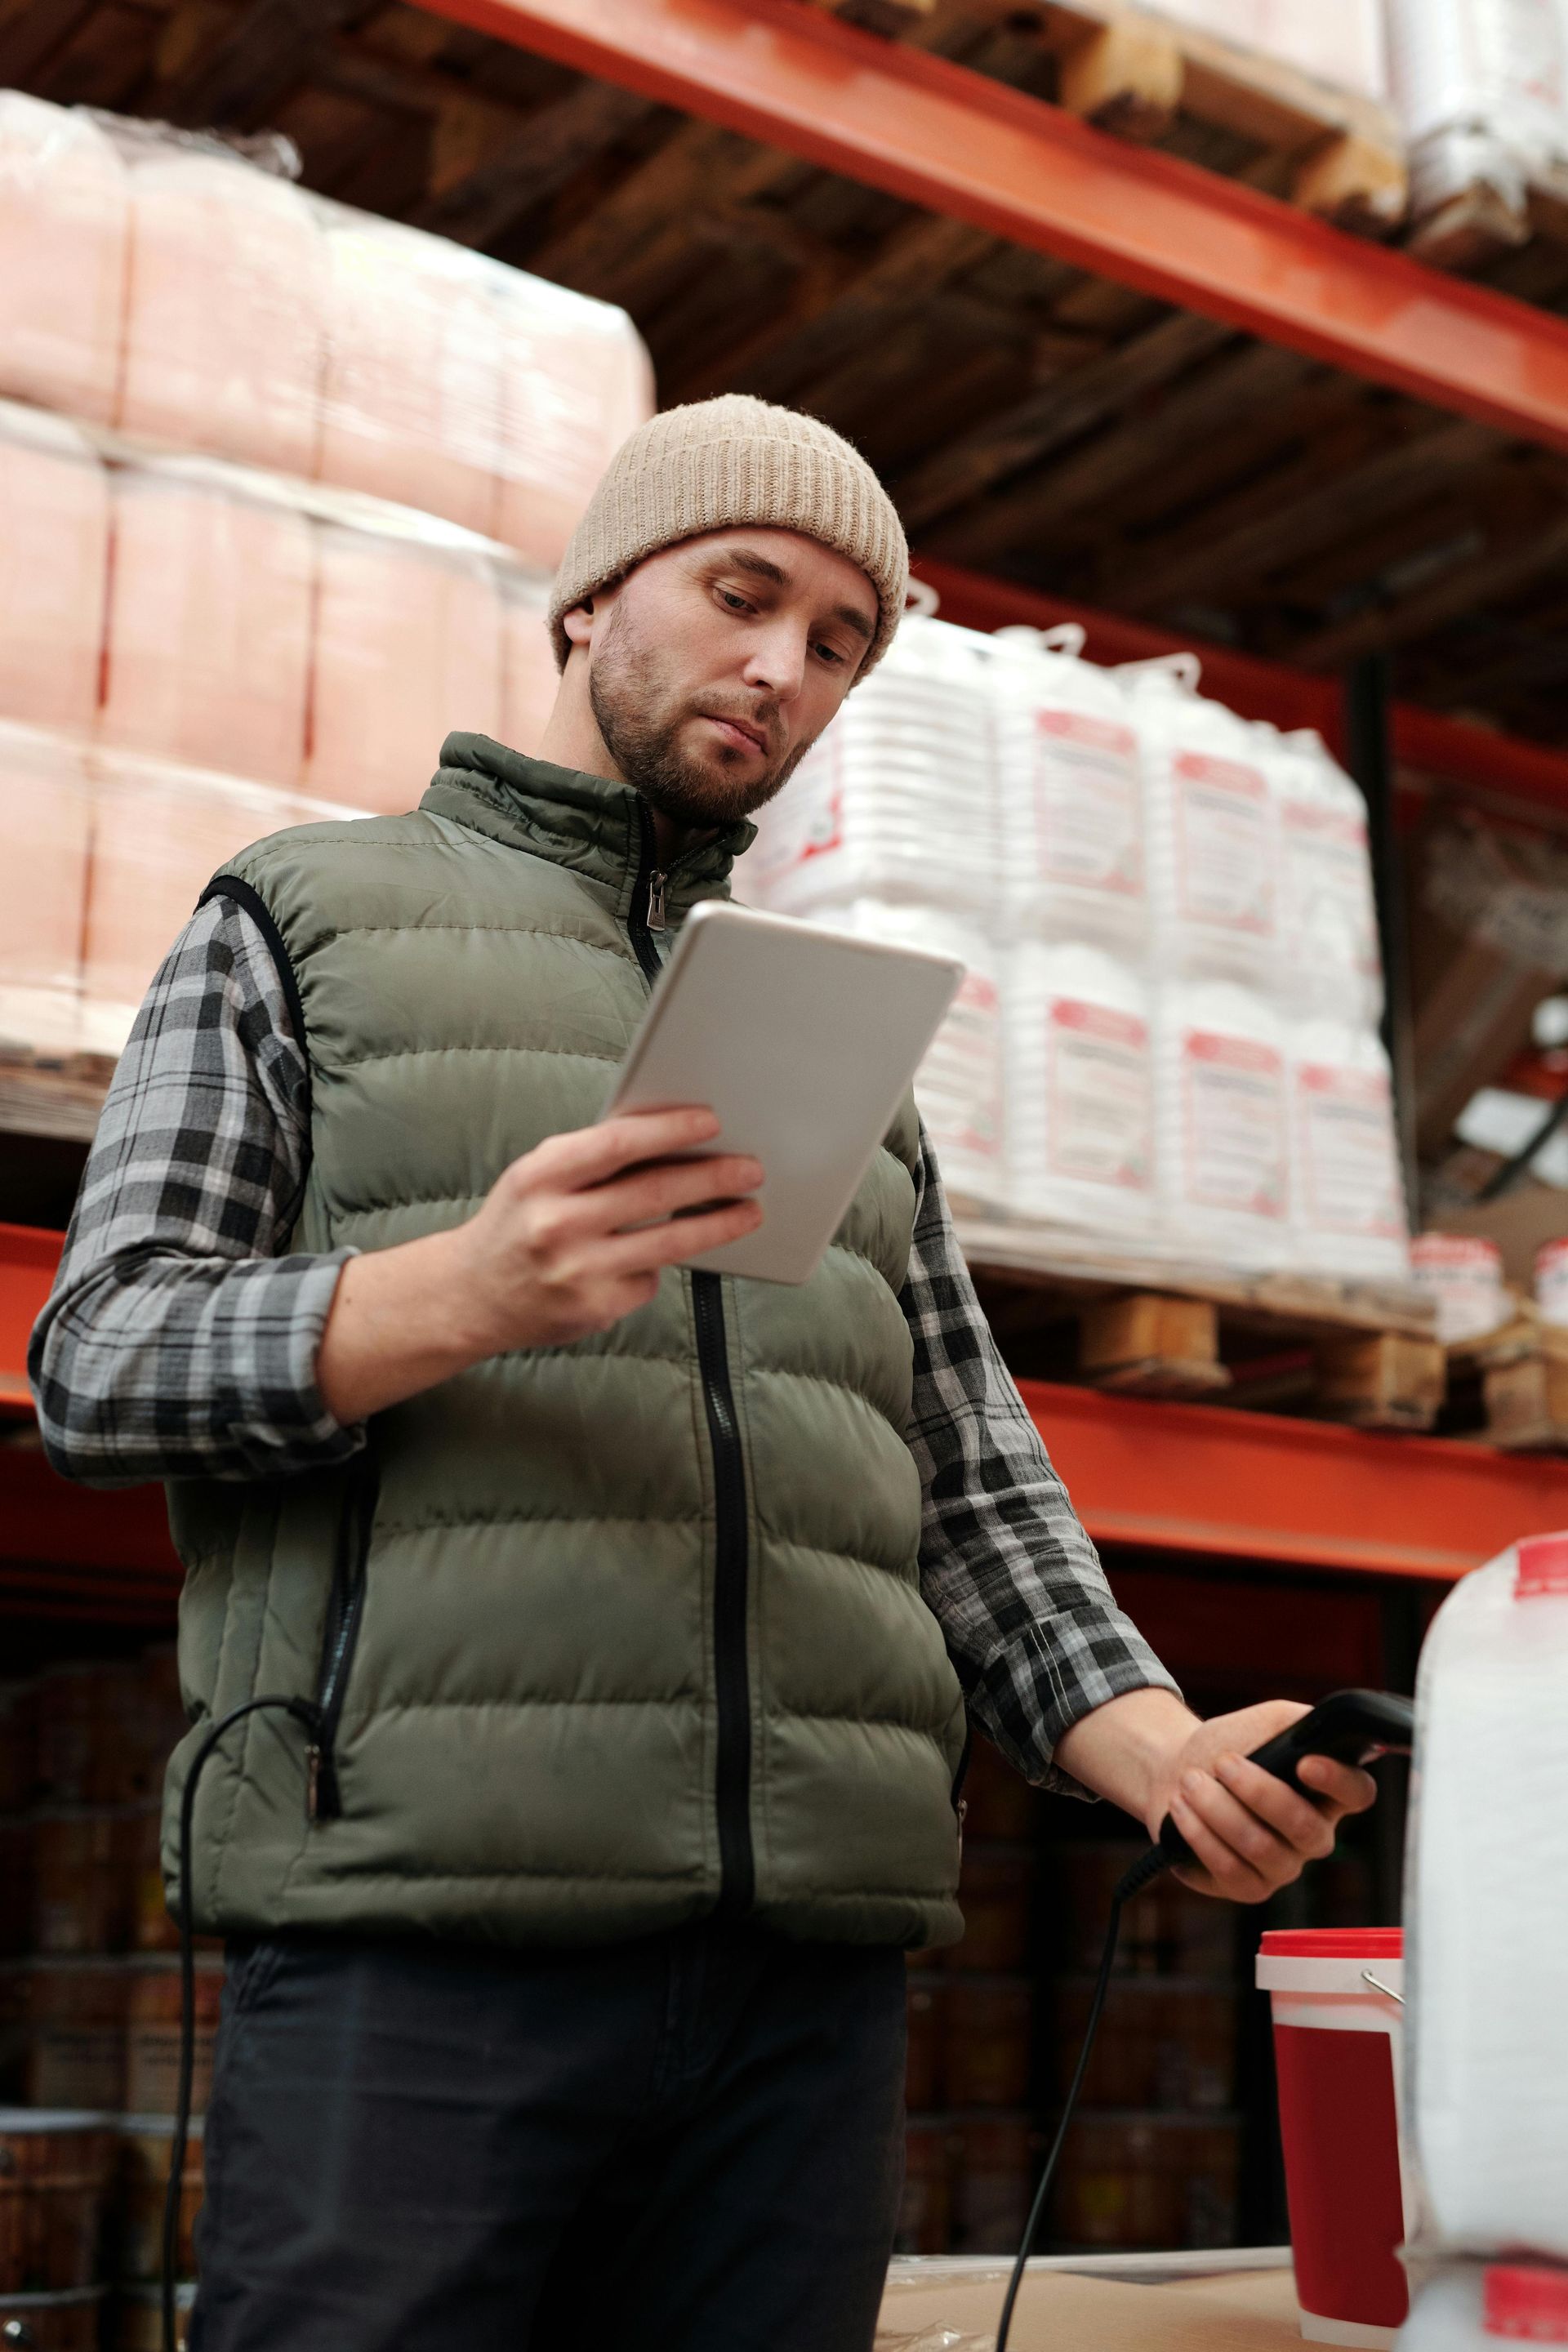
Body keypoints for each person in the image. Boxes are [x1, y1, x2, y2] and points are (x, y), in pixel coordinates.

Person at [31, 395, 1375, 2352]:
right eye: (743, 594)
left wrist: (1162, 1748)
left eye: (841, 641)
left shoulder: (831, 1054)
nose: (784, 667)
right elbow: (101, 1356)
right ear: (591, 601)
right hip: (427, 1952)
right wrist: (462, 1289)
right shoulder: (306, 922)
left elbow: (964, 1479)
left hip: (800, 2000)